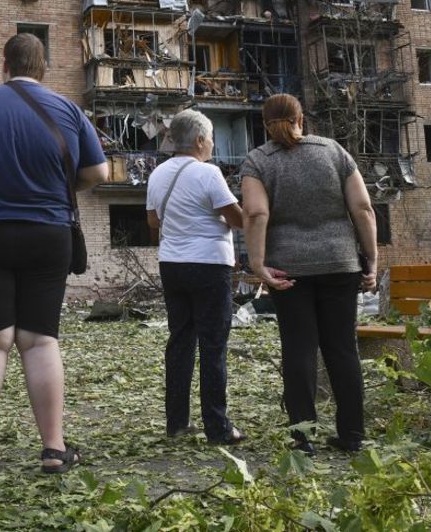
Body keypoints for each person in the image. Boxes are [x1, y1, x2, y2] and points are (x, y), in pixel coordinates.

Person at [0, 33, 108, 475]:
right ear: (43, 67)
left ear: (4, 65)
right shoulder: (69, 109)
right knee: (40, 339)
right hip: (47, 233)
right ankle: (53, 448)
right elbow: (97, 172)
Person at [240, 93, 377, 455]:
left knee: (299, 351)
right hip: (339, 263)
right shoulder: (333, 151)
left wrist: (257, 264)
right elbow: (363, 208)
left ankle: (302, 440)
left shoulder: (257, 161)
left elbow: (255, 213)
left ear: (264, 122)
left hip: (288, 269)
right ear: (302, 118)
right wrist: (372, 259)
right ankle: (352, 436)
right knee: (342, 350)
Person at [145, 109, 245, 444]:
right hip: (209, 265)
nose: (213, 144)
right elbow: (237, 218)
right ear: (200, 140)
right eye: (212, 137)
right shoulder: (209, 173)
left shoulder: (158, 174)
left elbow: (153, 223)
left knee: (180, 341)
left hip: (172, 264)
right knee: (213, 344)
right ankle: (218, 427)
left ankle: (177, 424)